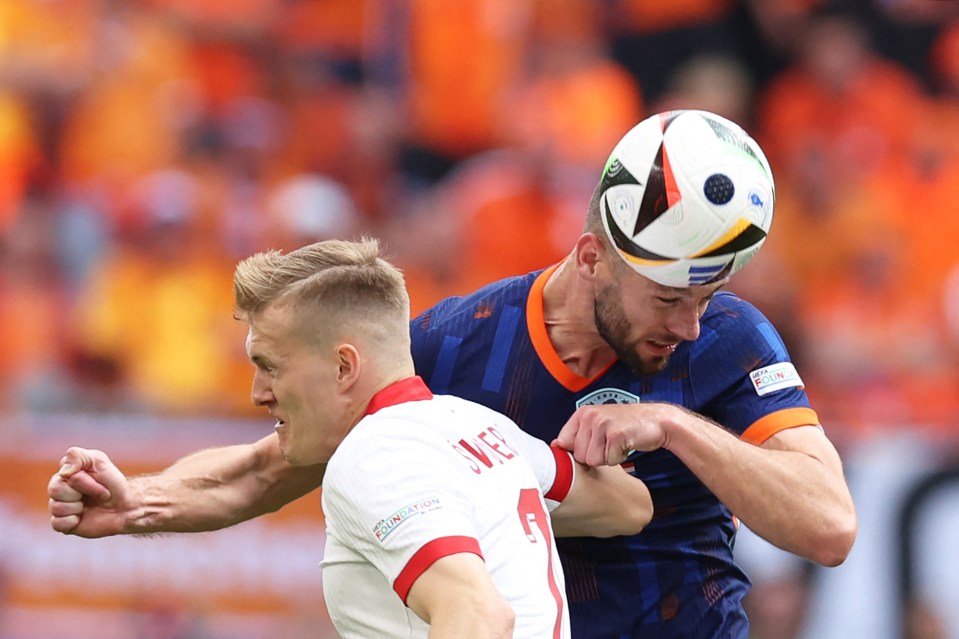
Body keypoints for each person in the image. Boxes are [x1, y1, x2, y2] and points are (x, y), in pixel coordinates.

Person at [50, 110, 857, 638]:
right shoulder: (457, 344)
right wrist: (141, 501)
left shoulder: (728, 336)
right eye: (665, 299)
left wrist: (676, 427)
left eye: (705, 297)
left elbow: (827, 525)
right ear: (588, 257)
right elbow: (274, 463)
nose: (687, 325)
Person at [52, 237, 653, 638]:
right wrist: (136, 502)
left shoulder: (373, 456)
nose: (259, 392)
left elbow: (476, 615)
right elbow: (629, 506)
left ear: (344, 367)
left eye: (270, 365)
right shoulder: (483, 432)